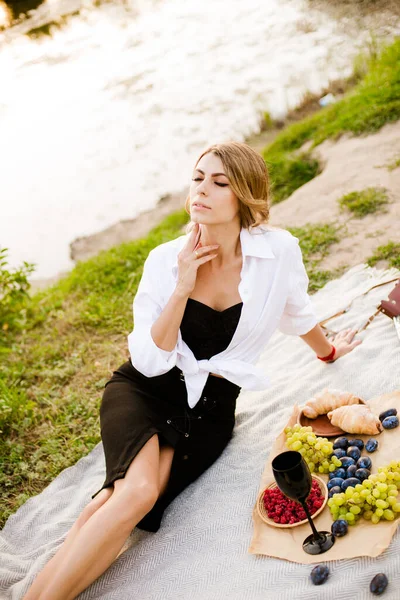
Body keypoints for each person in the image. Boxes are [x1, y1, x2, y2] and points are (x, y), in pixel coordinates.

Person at [23, 141, 361, 600]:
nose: (201, 190)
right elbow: (148, 358)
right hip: (145, 389)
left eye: (219, 182)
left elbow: (296, 312)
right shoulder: (165, 260)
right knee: (137, 492)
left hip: (211, 406)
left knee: (121, 499)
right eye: (198, 177)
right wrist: (182, 285)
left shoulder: (278, 252)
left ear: (244, 195)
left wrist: (328, 353)